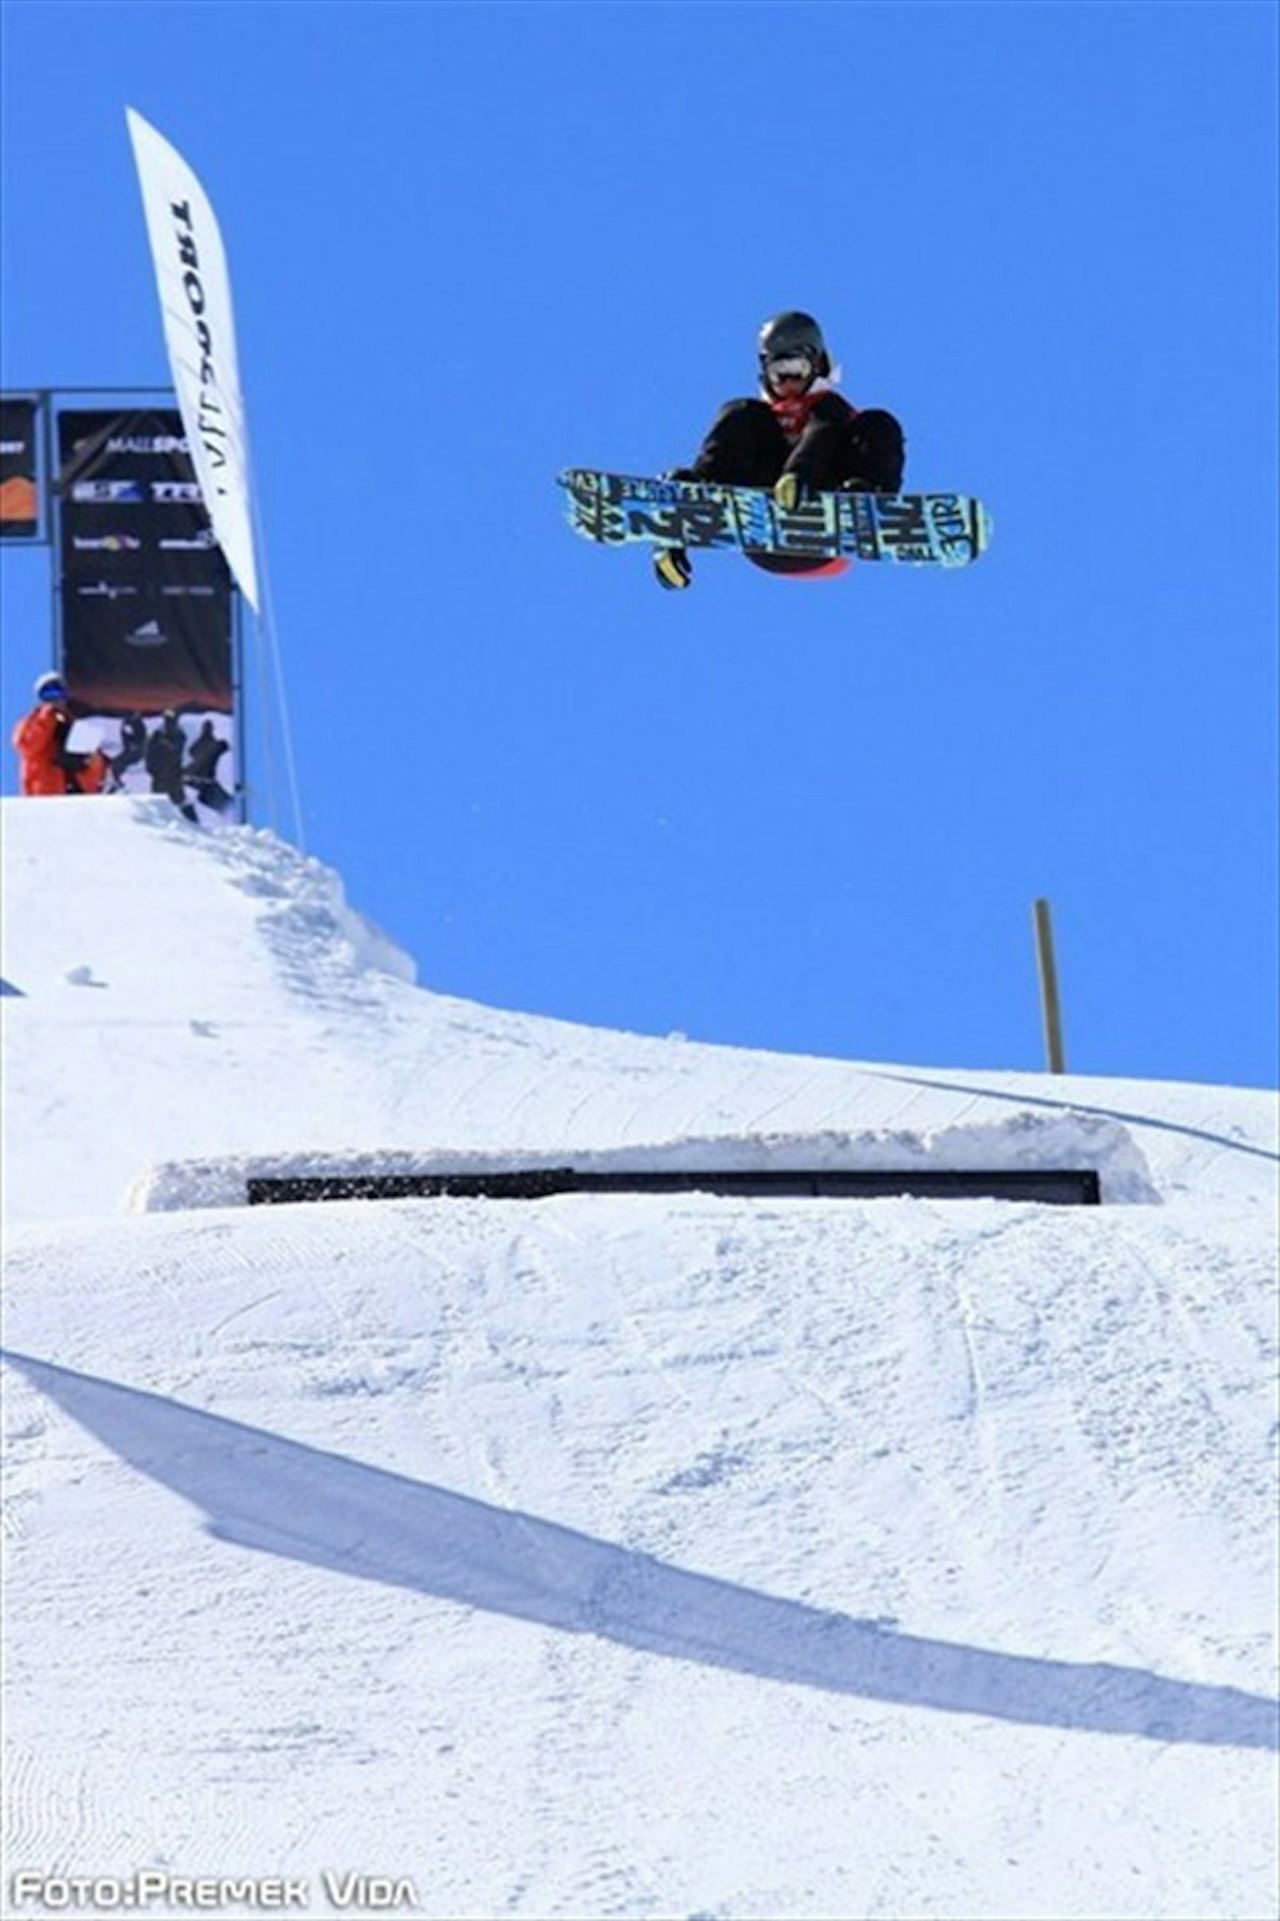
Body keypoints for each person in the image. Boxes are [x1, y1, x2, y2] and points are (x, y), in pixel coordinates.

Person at [654, 310, 905, 589]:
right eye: (777, 374)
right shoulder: (762, 419)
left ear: (817, 364)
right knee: (741, 411)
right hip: (764, 530)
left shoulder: (833, 409)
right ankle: (694, 500)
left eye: (796, 370)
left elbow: (828, 433)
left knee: (876, 422)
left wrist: (800, 476)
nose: (787, 383)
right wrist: (672, 539)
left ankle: (863, 505)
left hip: (823, 523)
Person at [11, 671, 108, 796]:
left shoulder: (75, 725)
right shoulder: (32, 722)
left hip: (79, 794)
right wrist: (46, 717)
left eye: (58, 692)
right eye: (48, 694)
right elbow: (26, 745)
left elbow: (94, 761)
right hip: (46, 796)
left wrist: (88, 767)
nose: (54, 699)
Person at [145, 710, 198, 822]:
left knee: (180, 800)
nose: (169, 722)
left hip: (173, 775)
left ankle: (195, 826)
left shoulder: (179, 735)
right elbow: (149, 752)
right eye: (167, 719)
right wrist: (151, 768)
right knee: (158, 802)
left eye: (171, 719)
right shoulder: (157, 735)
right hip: (160, 775)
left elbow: (178, 749)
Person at [184, 719, 233, 814]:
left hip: (196, 776)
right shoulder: (213, 743)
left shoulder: (200, 742)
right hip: (205, 778)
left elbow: (191, 751)